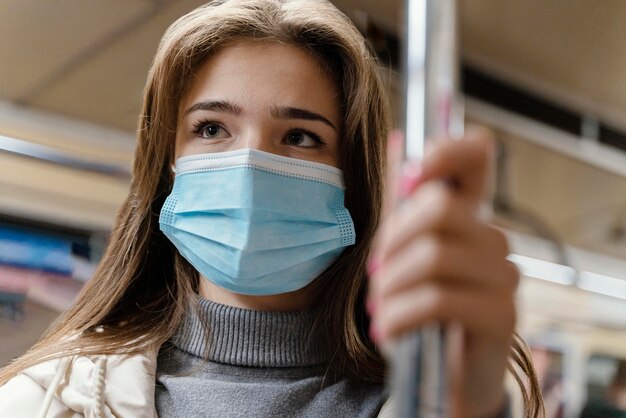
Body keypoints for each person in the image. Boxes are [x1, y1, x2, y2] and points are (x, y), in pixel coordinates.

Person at [0, 0, 543, 416]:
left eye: (301, 136)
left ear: (353, 179)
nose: (251, 165)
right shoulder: (48, 400)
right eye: (212, 129)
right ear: (165, 165)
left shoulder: (429, 395)